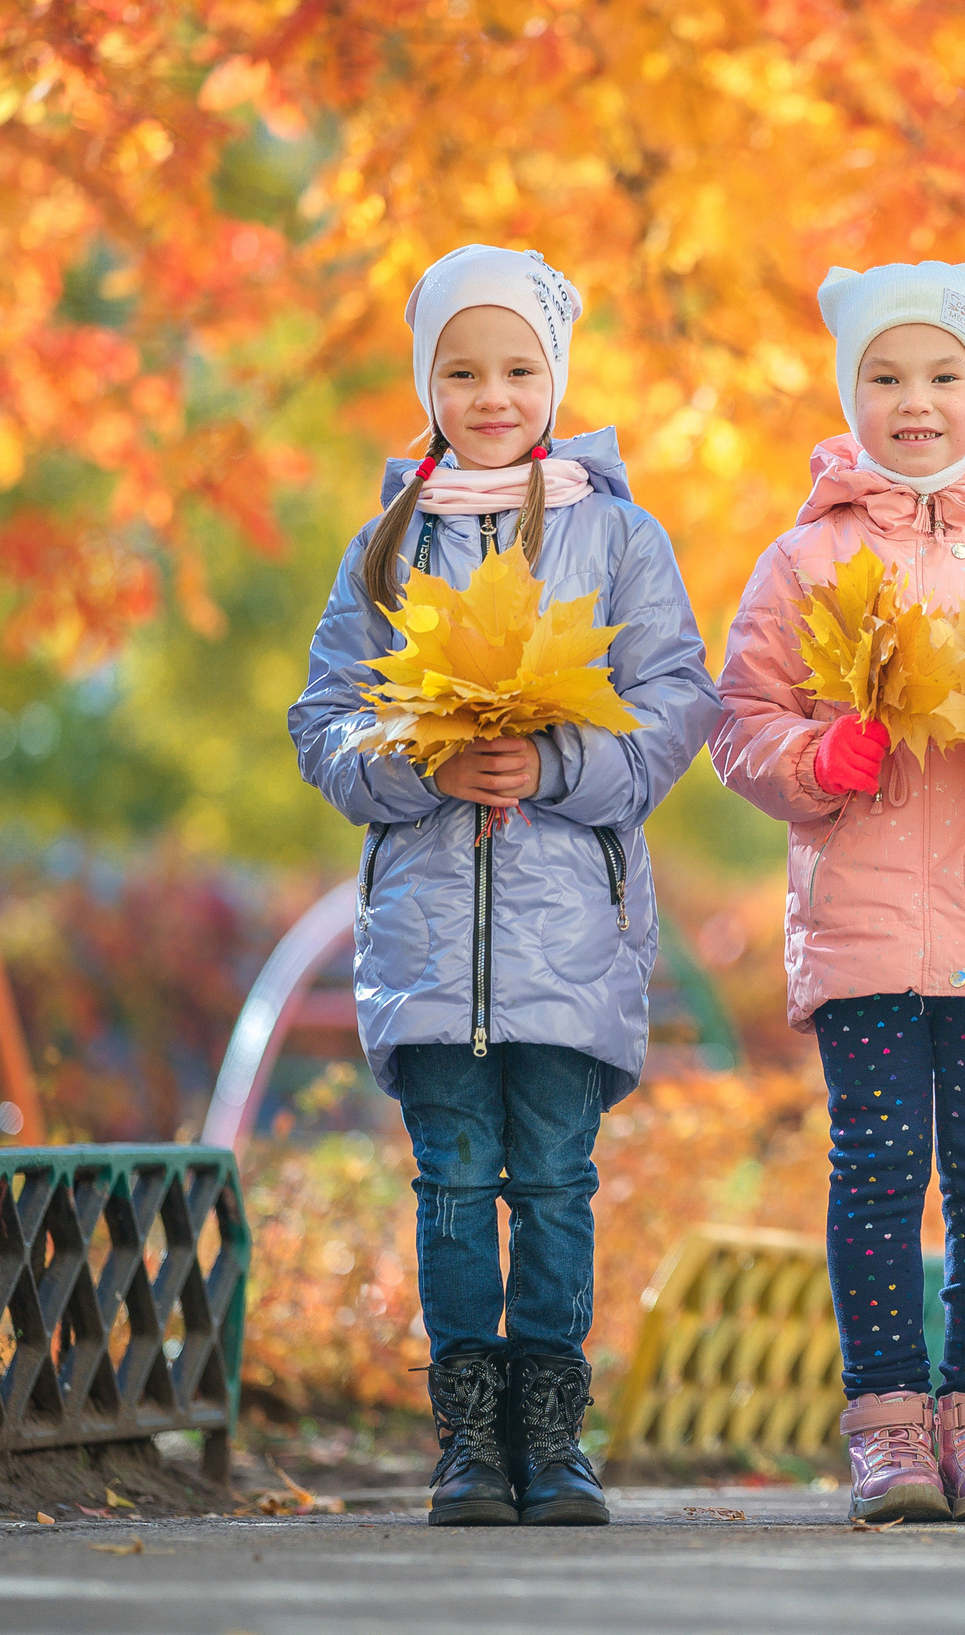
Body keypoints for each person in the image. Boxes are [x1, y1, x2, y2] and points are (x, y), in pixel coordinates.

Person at [290, 245, 721, 1527]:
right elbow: (326, 719)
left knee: (553, 1186)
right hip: (427, 939)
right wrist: (423, 763)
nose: (493, 393)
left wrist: (552, 764)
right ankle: (469, 1443)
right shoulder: (386, 547)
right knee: (451, 1188)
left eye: (518, 368)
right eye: (462, 369)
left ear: (557, 376)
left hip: (568, 940)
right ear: (429, 380)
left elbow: (676, 701)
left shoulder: (616, 533)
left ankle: (554, 1437)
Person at [712, 261, 965, 1523]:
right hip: (864, 927)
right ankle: (891, 1429)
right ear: (852, 393)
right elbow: (740, 721)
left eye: (942, 376)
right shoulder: (806, 560)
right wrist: (810, 764)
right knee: (882, 1169)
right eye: (887, 378)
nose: (915, 401)